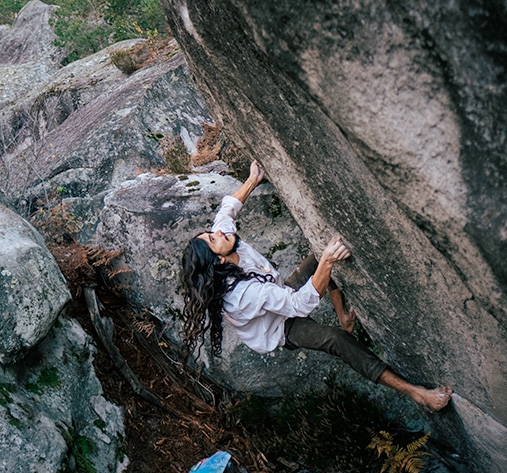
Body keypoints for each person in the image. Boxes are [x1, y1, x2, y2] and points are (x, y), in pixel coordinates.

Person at [181, 161, 453, 411]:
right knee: (336, 339)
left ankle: (343, 315)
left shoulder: (226, 241)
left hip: (279, 294)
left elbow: (227, 209)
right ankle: (416, 393)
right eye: (213, 239)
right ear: (218, 259)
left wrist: (253, 179)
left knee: (320, 253)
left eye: (211, 233)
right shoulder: (242, 295)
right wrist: (327, 262)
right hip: (279, 327)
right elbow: (300, 305)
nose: (217, 232)